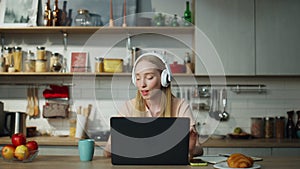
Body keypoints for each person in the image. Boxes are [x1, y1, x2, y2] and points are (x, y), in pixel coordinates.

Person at [103, 52, 203, 158]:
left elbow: (199, 149)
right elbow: (107, 151)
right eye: (137, 78)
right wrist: (113, 147)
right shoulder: (128, 107)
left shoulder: (180, 106)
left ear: (164, 79)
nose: (142, 84)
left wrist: (191, 149)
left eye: (149, 77)